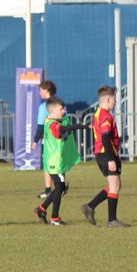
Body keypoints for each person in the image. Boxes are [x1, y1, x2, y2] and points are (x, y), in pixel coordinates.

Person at [81, 85, 127, 228]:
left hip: (103, 153)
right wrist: (111, 159)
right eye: (114, 99)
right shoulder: (106, 116)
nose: (115, 102)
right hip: (106, 153)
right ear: (108, 99)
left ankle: (90, 206)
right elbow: (106, 138)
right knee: (115, 185)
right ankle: (111, 220)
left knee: (115, 185)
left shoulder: (98, 113)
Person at [34, 97, 85, 227]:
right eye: (61, 108)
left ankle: (42, 209)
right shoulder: (52, 124)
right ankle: (54, 218)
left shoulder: (56, 121)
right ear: (52, 110)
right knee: (60, 188)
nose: (64, 110)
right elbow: (61, 130)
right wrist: (82, 125)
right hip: (54, 162)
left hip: (55, 161)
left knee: (59, 188)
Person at [32, 80, 57, 198]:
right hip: (60, 140)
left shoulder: (43, 107)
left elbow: (41, 125)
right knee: (59, 163)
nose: (40, 93)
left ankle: (48, 190)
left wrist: (35, 140)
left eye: (41, 90)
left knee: (47, 164)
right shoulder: (60, 104)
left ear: (46, 91)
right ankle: (61, 187)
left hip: (48, 141)